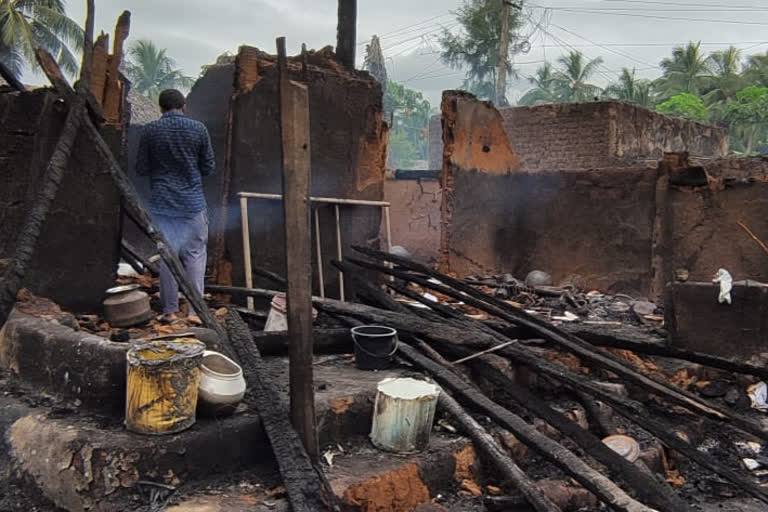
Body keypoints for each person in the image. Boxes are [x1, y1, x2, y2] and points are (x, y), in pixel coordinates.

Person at [136, 89, 215, 324]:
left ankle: (169, 311)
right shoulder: (199, 129)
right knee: (195, 256)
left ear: (160, 108)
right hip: (193, 204)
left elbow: (141, 168)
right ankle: (195, 312)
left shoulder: (150, 131)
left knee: (168, 257)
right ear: (184, 106)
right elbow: (208, 166)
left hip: (162, 205)